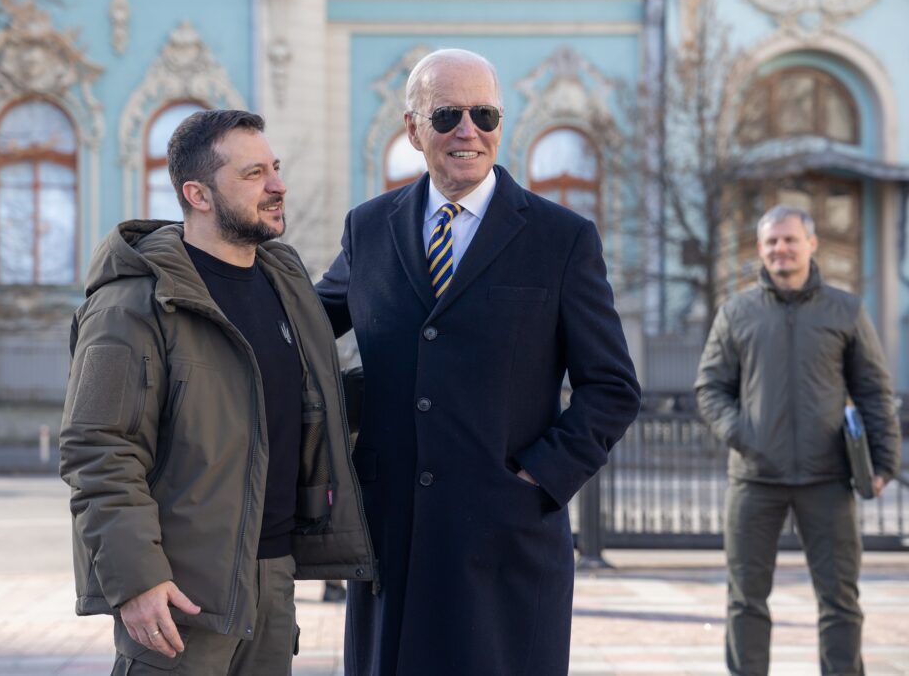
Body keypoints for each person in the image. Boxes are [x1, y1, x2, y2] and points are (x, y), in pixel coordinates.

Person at [316, 49, 641, 676]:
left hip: (506, 541)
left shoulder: (561, 239)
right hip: (392, 540)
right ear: (413, 129)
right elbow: (301, 327)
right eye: (447, 115)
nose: (468, 130)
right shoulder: (369, 228)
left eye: (484, 113)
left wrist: (538, 478)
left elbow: (612, 387)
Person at [59, 109, 375, 675]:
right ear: (197, 194)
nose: (278, 185)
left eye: (275, 168)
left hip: (272, 584)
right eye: (254, 174)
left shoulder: (288, 287)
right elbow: (100, 449)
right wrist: (136, 580)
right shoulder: (131, 303)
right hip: (178, 597)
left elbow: (306, 405)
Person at [695, 205, 901, 676]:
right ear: (761, 250)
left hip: (828, 478)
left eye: (789, 240)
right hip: (754, 479)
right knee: (746, 599)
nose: (780, 249)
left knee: (840, 599)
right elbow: (710, 388)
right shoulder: (737, 312)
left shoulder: (845, 310)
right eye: (770, 242)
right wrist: (743, 434)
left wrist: (884, 461)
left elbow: (873, 388)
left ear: (811, 244)